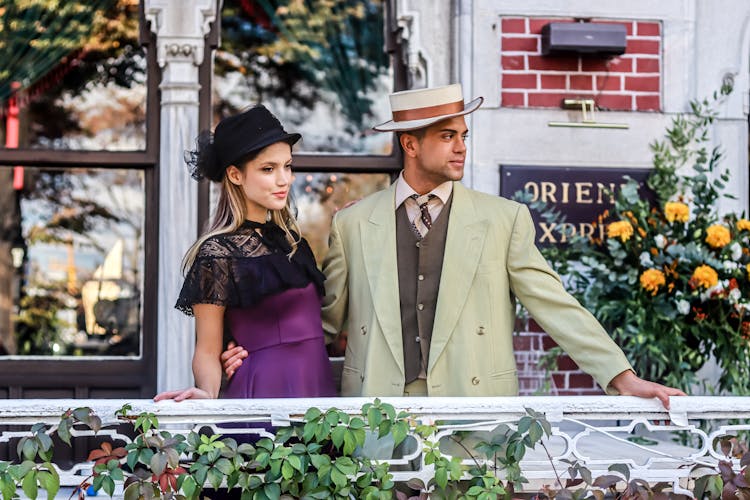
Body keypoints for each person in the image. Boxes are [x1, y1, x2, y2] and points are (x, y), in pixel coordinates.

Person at [221, 85, 685, 408]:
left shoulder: (504, 220)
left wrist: (622, 378)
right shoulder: (353, 224)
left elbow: (557, 307)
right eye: (447, 136)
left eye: (464, 136)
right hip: (378, 416)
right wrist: (257, 348)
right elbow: (325, 321)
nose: (461, 147)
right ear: (410, 144)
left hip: (476, 411)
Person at [155, 105, 336, 402]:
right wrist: (207, 393)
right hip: (264, 392)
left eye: (287, 166)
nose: (284, 180)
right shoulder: (217, 254)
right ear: (236, 175)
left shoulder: (294, 244)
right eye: (269, 169)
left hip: (318, 393)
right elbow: (207, 351)